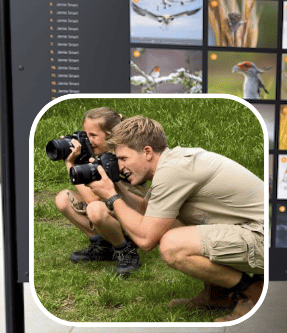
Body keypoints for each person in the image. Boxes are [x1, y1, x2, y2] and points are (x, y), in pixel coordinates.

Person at [87, 115, 264, 322]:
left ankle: (251, 293)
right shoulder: (172, 163)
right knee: (171, 224)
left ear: (147, 152)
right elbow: (147, 209)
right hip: (252, 229)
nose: (119, 166)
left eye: (123, 159)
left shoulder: (172, 171)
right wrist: (116, 187)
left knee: (172, 244)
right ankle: (216, 296)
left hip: (262, 238)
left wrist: (111, 196)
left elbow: (146, 240)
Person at [55, 107, 147, 276]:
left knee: (95, 209)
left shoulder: (115, 159)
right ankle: (102, 246)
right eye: (85, 134)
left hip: (133, 217)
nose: (87, 140)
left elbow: (92, 199)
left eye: (93, 135)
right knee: (63, 198)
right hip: (111, 210)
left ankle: (126, 251)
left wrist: (71, 164)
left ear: (111, 136)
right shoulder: (99, 154)